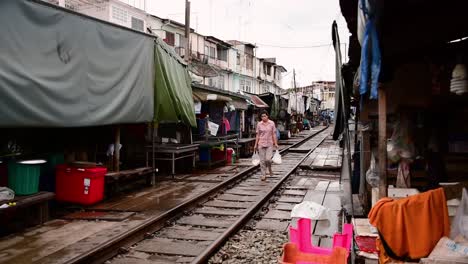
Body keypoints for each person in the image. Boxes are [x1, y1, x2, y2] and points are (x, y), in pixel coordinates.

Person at [254, 111, 279, 181]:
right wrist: (255, 145)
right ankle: (263, 174)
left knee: (268, 159)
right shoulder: (259, 124)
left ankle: (270, 168)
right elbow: (257, 135)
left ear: (267, 116)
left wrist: (275, 143)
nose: (263, 117)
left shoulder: (272, 123)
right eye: (262, 116)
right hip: (261, 143)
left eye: (265, 116)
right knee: (262, 161)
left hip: (269, 144)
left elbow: (274, 134)